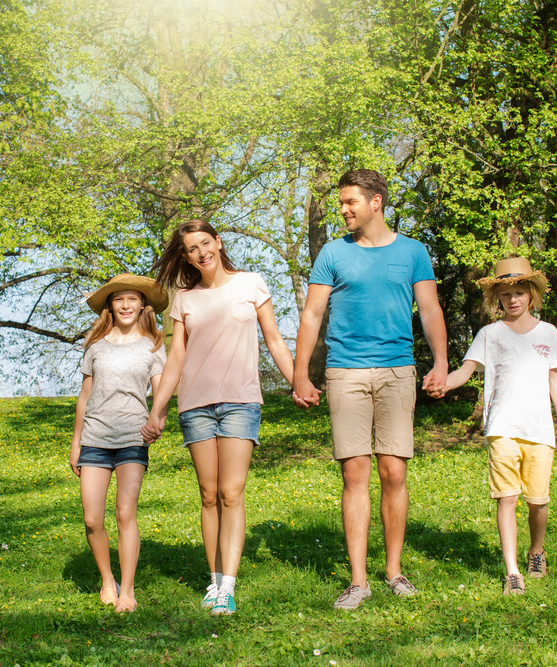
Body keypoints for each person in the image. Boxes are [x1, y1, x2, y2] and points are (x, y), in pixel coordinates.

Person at [292, 169, 448, 609]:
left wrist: (440, 363)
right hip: (345, 372)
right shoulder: (332, 254)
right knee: (354, 472)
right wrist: (300, 374)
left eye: (350, 202)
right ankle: (359, 580)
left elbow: (431, 310)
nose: (343, 210)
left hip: (398, 370)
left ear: (376, 201)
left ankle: (394, 571)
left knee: (394, 472)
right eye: (341, 202)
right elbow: (311, 315)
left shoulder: (413, 252)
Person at [140, 219, 294, 617]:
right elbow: (176, 359)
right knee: (208, 496)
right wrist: (158, 409)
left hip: (241, 402)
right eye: (191, 248)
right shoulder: (184, 300)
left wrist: (298, 382)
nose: (200, 252)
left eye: (205, 243)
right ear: (186, 256)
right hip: (195, 406)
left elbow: (274, 339)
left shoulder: (251, 284)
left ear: (218, 242)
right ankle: (213, 580)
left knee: (232, 492)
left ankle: (228, 585)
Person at [428, 257, 557, 595]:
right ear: (497, 298)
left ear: (532, 295)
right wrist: (444, 383)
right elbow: (466, 372)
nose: (513, 299)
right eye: (506, 294)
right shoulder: (489, 334)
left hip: (539, 429)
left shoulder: (548, 333)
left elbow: (555, 381)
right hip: (502, 427)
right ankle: (512, 572)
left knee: (538, 501)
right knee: (507, 498)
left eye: (520, 292)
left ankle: (536, 551)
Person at [69, 273, 169, 612]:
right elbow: (84, 397)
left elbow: (161, 392)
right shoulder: (95, 347)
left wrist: (159, 417)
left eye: (132, 298)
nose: (126, 304)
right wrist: (75, 443)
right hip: (95, 440)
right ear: (110, 306)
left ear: (143, 305)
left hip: (132, 438)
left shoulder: (153, 346)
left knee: (126, 512)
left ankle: (127, 590)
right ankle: (107, 580)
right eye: (119, 299)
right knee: (92, 519)